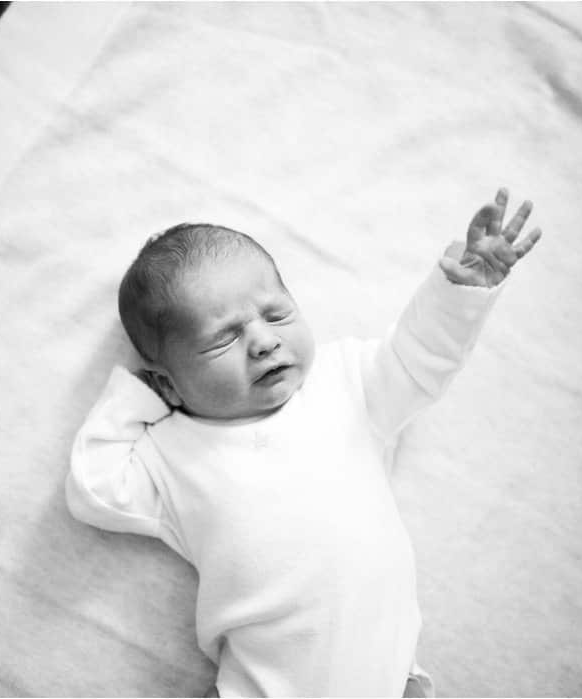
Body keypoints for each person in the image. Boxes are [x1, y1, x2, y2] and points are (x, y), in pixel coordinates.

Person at [65, 188, 542, 696]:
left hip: (388, 678)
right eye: (224, 339)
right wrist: (135, 396)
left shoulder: (346, 382)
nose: (264, 341)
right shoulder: (170, 455)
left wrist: (458, 292)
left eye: (276, 314)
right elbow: (93, 488)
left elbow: (419, 358)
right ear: (168, 382)